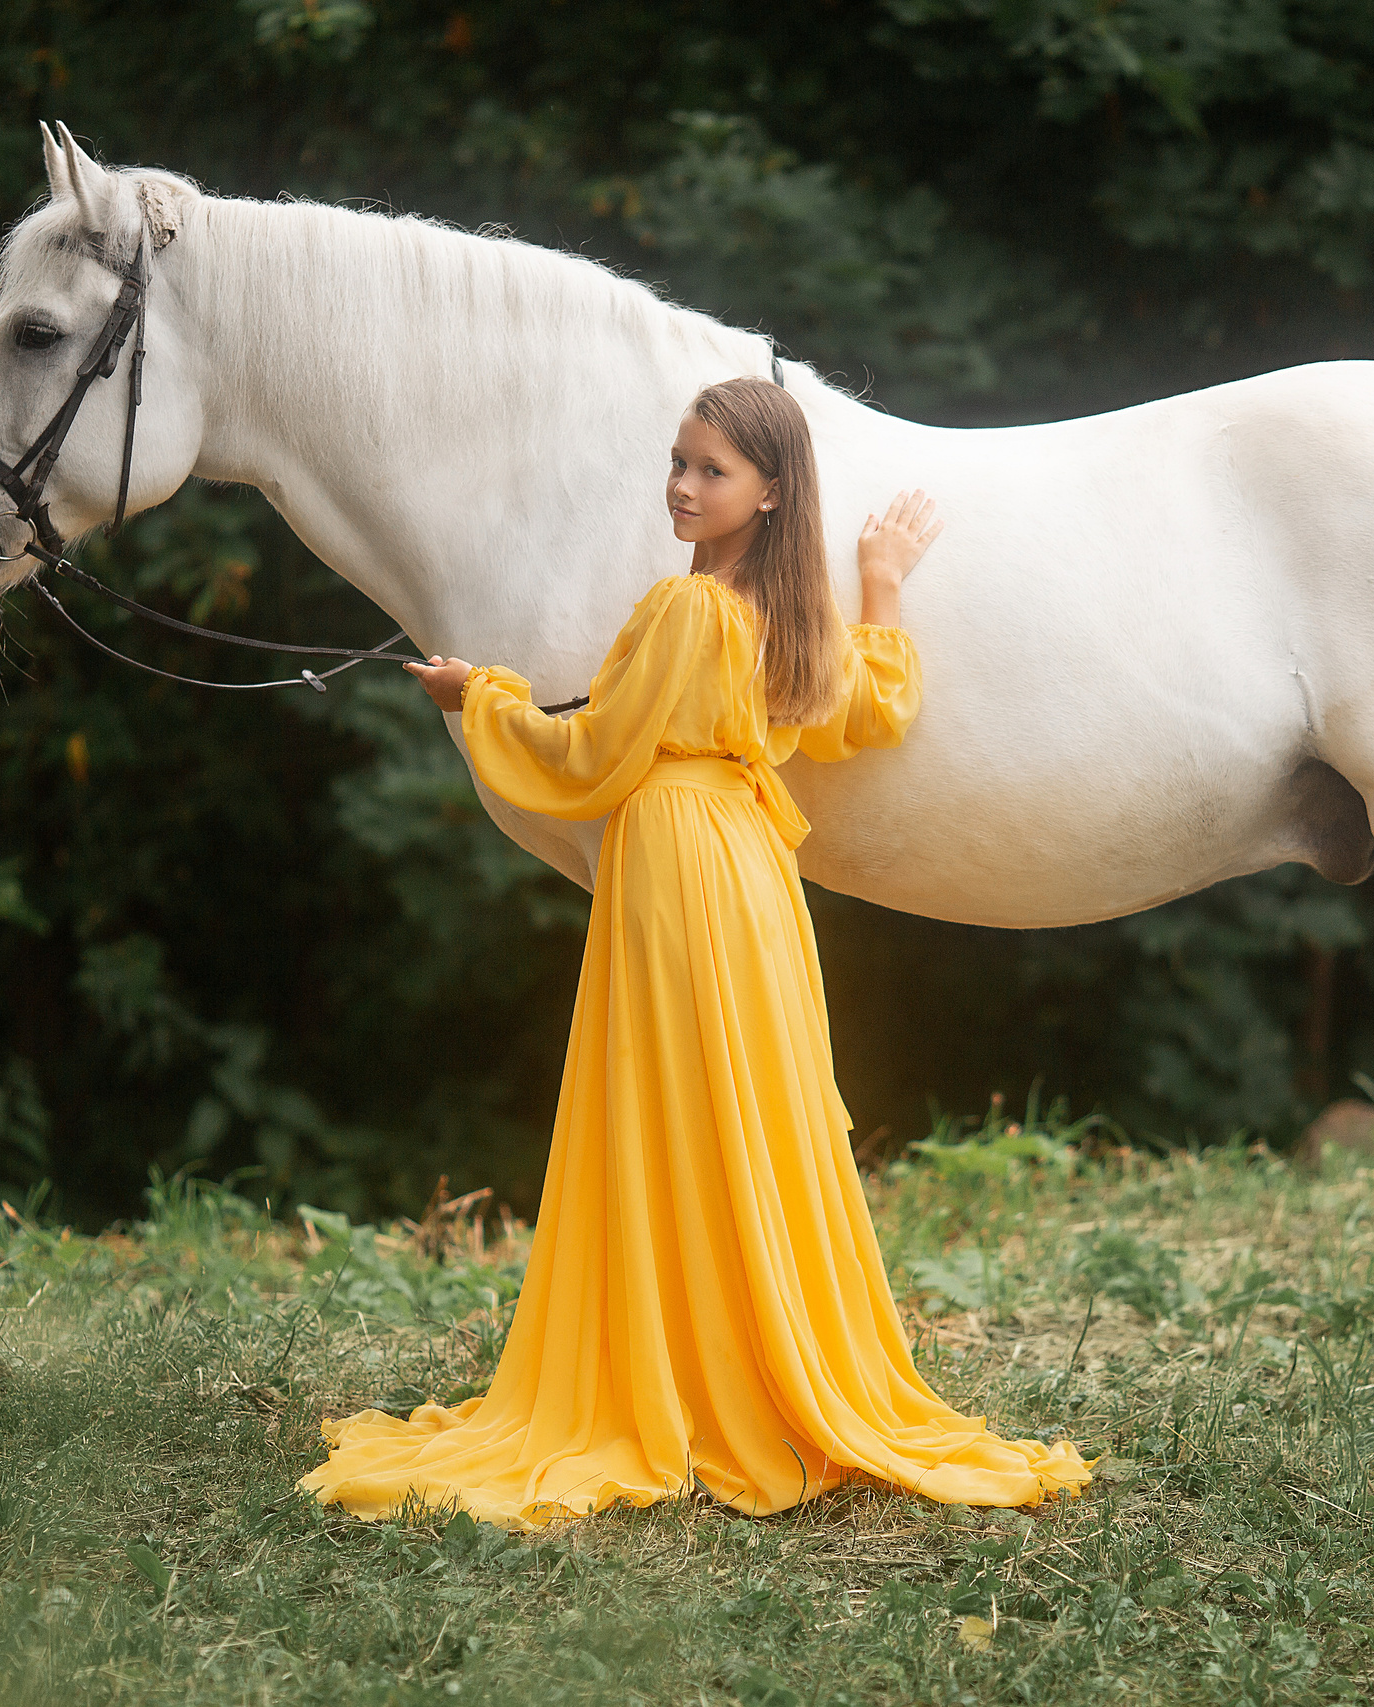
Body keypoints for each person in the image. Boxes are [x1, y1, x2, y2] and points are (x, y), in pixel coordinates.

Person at [297, 377, 1092, 1528]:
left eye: (711, 470)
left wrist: (480, 698)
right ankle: (757, 1361)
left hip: (675, 862)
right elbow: (877, 704)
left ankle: (676, 1369)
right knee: (741, 1115)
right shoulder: (790, 617)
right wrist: (882, 579)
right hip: (751, 880)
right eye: (678, 461)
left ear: (769, 493)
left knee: (669, 1107)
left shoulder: (688, 614)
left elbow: (591, 760)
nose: (682, 485)